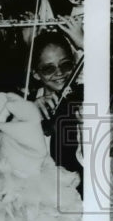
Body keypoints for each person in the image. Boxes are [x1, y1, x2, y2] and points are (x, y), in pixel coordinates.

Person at [30, 27, 83, 183]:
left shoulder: (80, 102)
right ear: (35, 73)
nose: (59, 73)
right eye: (48, 68)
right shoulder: (23, 102)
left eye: (65, 65)